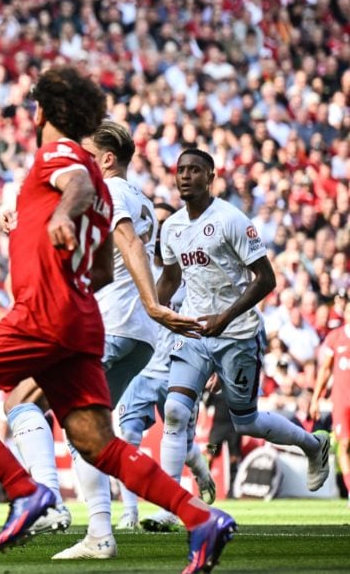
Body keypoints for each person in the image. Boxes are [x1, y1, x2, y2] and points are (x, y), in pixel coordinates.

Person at [0, 66, 235, 573]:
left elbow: (73, 188)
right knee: (97, 442)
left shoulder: (61, 157)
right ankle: (199, 518)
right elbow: (95, 267)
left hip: (43, 314)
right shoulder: (99, 177)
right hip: (82, 318)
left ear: (43, 112)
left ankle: (26, 491)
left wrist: (62, 215)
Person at [34, 121, 203, 560]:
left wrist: (149, 303)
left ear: (107, 159)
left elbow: (126, 242)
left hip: (112, 325)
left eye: (88, 153)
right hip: (137, 335)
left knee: (26, 399)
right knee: (87, 432)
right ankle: (142, 520)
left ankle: (48, 504)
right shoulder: (145, 200)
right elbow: (167, 266)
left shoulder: (117, 194)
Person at [150, 148, 331, 530]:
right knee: (176, 411)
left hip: (238, 333)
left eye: (194, 170)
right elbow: (170, 278)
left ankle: (314, 445)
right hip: (196, 331)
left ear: (210, 176)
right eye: (180, 169)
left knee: (245, 422)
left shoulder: (231, 219)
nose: (185, 176)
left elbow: (266, 279)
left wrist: (225, 316)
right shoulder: (172, 228)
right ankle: (167, 506)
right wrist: (151, 306)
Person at [113, 202, 215, 532]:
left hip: (176, 367)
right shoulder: (131, 267)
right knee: (126, 437)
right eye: (152, 225)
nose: (154, 233)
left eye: (162, 225)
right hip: (139, 370)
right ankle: (129, 512)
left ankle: (198, 469)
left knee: (182, 445)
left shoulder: (189, 275)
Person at [310, 318, 350, 505]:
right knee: (345, 444)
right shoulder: (336, 337)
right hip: (341, 401)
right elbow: (325, 370)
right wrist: (315, 398)